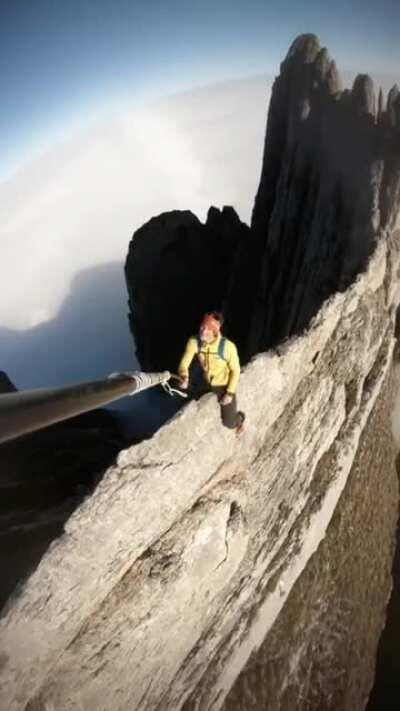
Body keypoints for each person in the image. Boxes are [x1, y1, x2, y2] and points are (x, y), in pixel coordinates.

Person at [177, 312, 245, 435]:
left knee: (229, 423)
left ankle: (240, 419)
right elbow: (184, 363)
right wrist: (184, 376)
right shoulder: (194, 342)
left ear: (214, 331)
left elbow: (236, 370)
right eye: (202, 327)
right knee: (180, 387)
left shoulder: (227, 347)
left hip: (223, 385)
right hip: (205, 380)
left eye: (208, 329)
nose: (203, 332)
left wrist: (229, 393)